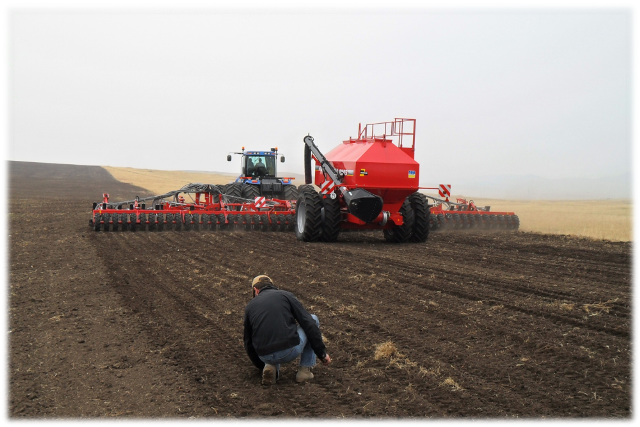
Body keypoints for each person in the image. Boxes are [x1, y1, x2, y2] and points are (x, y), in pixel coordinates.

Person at [244, 275, 331, 385]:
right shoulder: (285, 295)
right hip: (288, 352)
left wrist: (261, 364)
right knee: (312, 319)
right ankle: (304, 371)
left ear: (255, 290)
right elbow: (308, 323)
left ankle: (269, 366)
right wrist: (322, 353)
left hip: (264, 355)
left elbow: (248, 342)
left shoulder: (250, 306)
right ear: (272, 286)